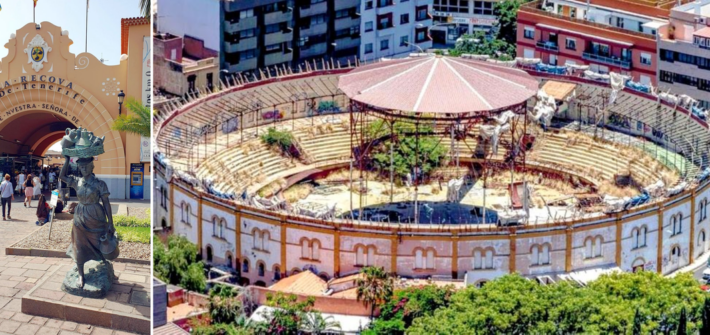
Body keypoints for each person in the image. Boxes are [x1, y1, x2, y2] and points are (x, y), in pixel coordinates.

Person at [59, 156, 115, 288]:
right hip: (80, 216)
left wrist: (111, 223)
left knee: (100, 241)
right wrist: (67, 160)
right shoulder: (76, 181)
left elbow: (106, 203)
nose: (83, 169)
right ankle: (80, 275)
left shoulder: (100, 184)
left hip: (96, 215)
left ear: (92, 166)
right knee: (79, 244)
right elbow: (62, 176)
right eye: (81, 166)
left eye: (86, 166)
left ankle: (105, 266)